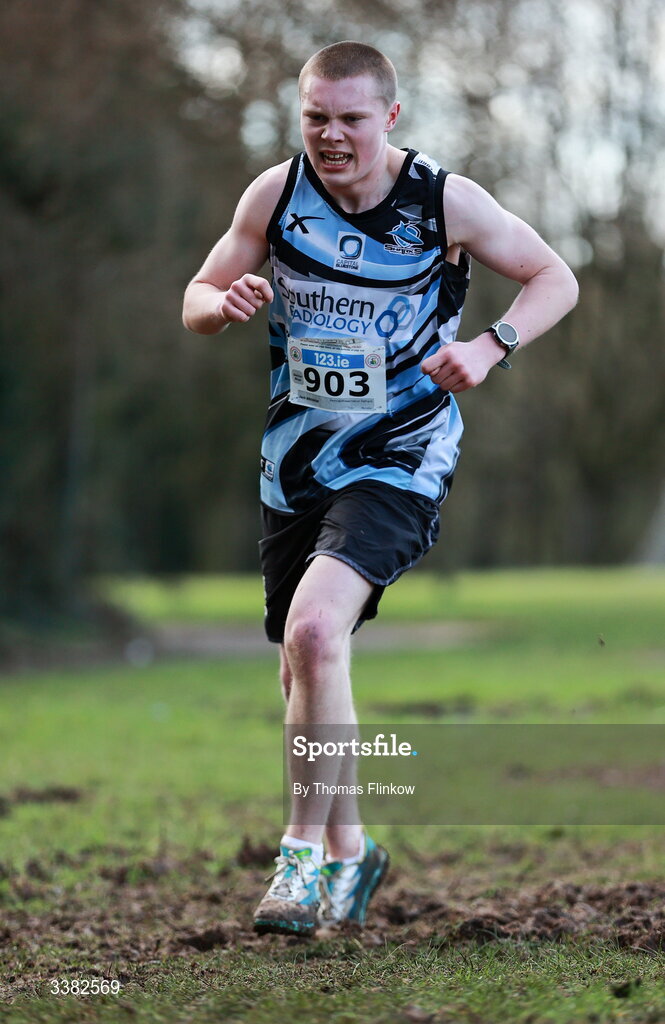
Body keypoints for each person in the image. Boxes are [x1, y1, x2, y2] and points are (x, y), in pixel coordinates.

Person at [182, 41, 578, 937]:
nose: (331, 135)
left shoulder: (445, 200)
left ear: (388, 118)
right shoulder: (273, 196)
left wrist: (489, 346)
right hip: (296, 462)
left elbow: (556, 277)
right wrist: (225, 304)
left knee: (316, 629)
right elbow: (196, 296)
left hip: (400, 455)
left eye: (350, 118)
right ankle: (353, 852)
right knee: (304, 660)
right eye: (315, 117)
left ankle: (296, 860)